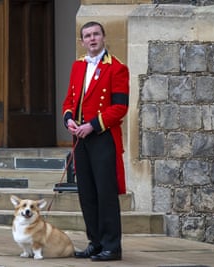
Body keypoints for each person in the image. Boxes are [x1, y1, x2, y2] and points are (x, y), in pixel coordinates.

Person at [62, 21, 129, 261]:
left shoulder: (117, 68)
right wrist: (69, 119)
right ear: (82, 41)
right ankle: (96, 242)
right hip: (81, 137)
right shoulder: (78, 65)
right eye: (87, 36)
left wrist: (92, 125)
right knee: (86, 193)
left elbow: (120, 107)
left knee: (105, 193)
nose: (92, 39)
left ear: (103, 37)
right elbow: (70, 99)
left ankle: (112, 246)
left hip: (102, 137)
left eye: (96, 35)